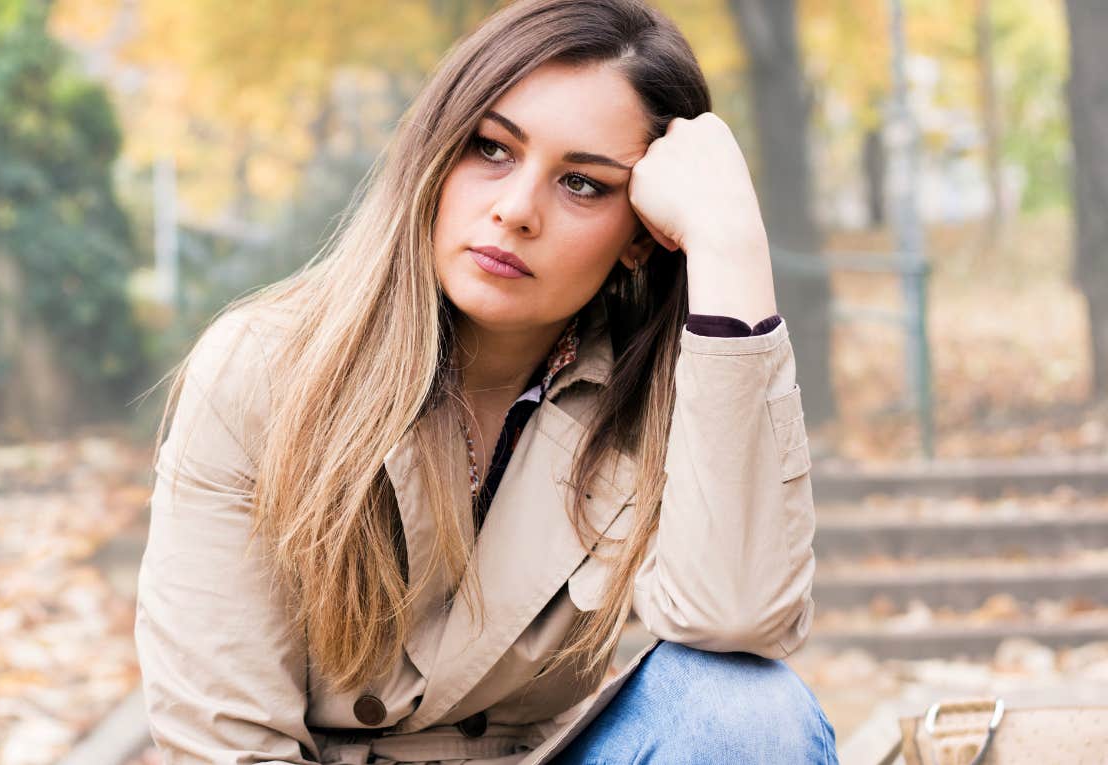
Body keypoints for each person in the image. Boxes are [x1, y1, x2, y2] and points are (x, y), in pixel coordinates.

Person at [135, 0, 838, 762]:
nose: (515, 211)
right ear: (437, 152)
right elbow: (224, 744)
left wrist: (728, 243)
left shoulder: (660, 397)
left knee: (748, 709)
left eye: (582, 184)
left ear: (639, 236)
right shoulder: (264, 370)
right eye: (492, 149)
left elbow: (741, 617)